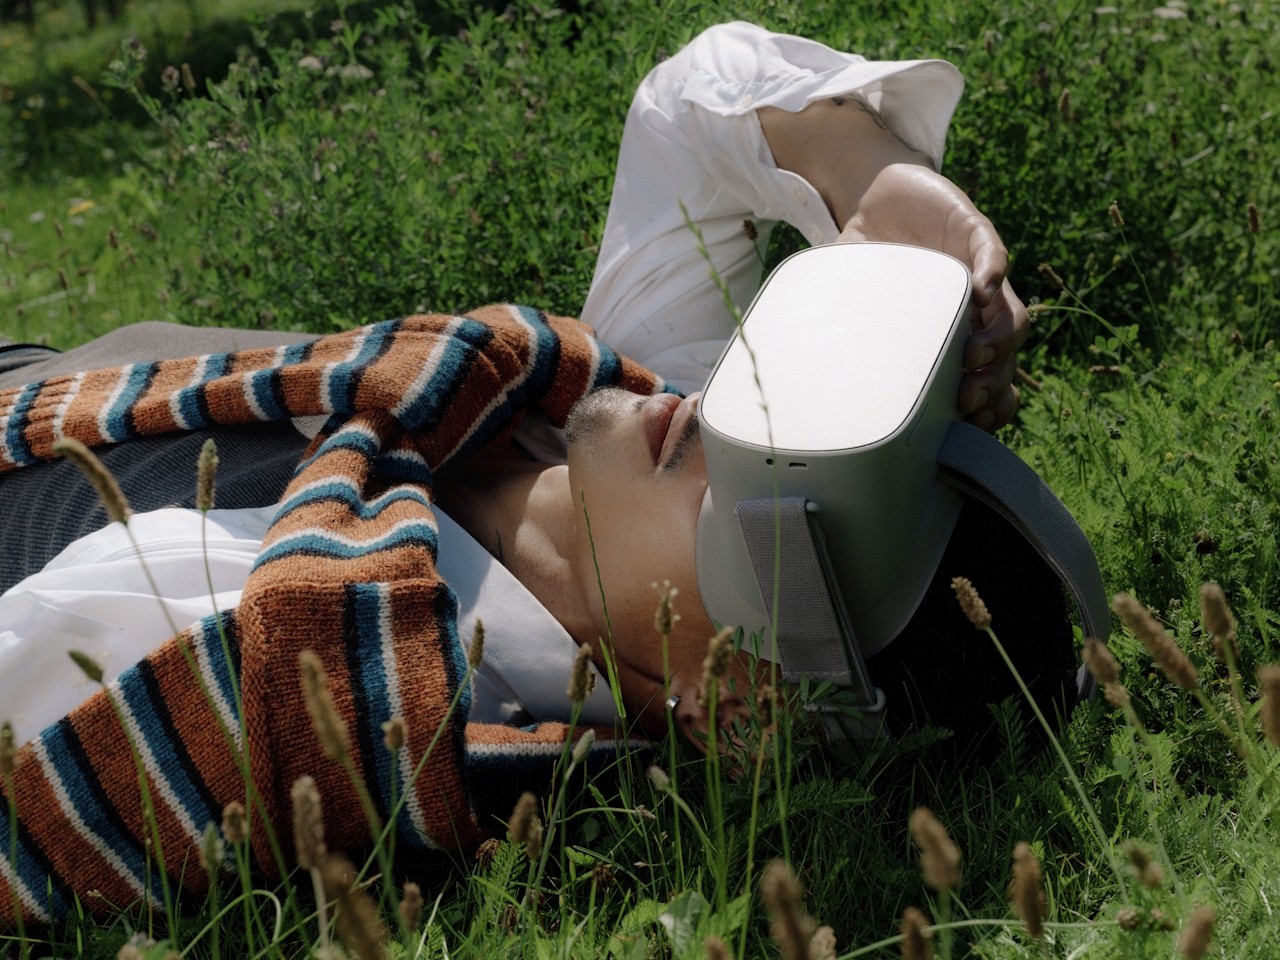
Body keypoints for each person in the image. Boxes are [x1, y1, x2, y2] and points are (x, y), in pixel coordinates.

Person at [0, 23, 1064, 925]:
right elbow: (691, 104)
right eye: (788, 411)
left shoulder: (317, 650)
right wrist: (872, 181)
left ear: (729, 709)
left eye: (764, 495)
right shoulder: (645, 415)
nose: (725, 416)